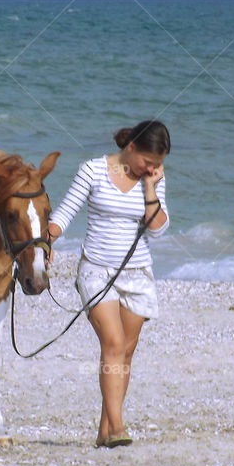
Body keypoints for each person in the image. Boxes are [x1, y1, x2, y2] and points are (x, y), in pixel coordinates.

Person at [47, 120, 170, 448]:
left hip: (137, 274)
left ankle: (104, 432)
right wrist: (44, 242)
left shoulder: (153, 180)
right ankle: (117, 427)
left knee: (125, 354)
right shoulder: (92, 170)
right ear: (130, 148)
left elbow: (158, 229)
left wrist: (150, 188)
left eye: (158, 164)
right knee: (113, 345)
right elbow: (64, 213)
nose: (152, 168)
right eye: (147, 162)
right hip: (97, 272)